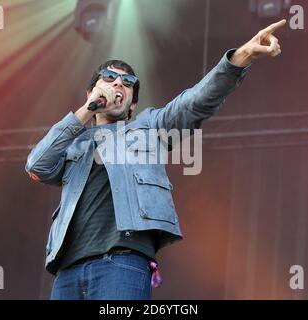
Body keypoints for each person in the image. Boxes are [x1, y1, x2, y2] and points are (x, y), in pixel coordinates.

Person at [25, 19, 286, 300]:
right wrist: (86, 111)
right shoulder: (74, 143)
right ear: (91, 92)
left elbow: (195, 102)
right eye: (109, 78)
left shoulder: (149, 128)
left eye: (127, 83)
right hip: (67, 271)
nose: (118, 84)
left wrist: (242, 56)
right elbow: (37, 165)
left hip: (122, 264)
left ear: (132, 104)